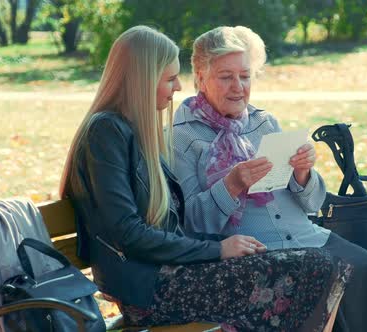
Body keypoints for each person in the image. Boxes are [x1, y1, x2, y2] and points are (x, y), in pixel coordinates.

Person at [59, 25, 351, 331]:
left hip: (169, 271)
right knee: (314, 267)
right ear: (143, 81)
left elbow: (168, 227)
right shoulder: (106, 132)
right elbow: (127, 233)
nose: (177, 87)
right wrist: (218, 249)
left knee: (321, 265)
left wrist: (221, 243)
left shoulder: (133, 130)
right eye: (170, 78)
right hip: (148, 288)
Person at [172, 26, 367, 332]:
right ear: (200, 78)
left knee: (366, 267)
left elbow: (313, 203)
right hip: (258, 251)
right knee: (328, 282)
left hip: (308, 236)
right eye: (226, 76)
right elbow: (190, 224)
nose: (238, 86)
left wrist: (303, 173)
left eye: (245, 76)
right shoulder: (182, 136)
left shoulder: (264, 122)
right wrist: (231, 185)